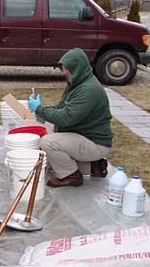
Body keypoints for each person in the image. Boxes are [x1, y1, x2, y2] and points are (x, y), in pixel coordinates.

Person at [28, 48, 113, 187]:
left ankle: (71, 177)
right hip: (85, 138)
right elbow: (61, 107)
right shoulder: (75, 85)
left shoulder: (88, 90)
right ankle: (92, 166)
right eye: (63, 68)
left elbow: (66, 117)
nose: (63, 72)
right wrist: (42, 110)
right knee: (52, 151)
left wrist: (39, 109)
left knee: (48, 142)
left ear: (78, 68)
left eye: (67, 68)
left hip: (95, 143)